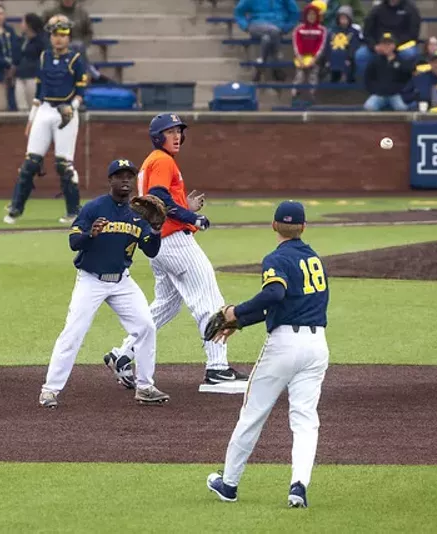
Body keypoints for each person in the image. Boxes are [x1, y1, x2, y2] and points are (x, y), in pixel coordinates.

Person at [103, 113, 249, 389]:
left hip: (161, 243)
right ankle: (217, 370)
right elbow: (159, 198)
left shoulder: (153, 161)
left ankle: (124, 353)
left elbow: (159, 201)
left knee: (166, 306)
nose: (177, 136)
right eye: (170, 131)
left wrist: (186, 208)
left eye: (179, 131)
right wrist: (190, 217)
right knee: (208, 299)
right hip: (174, 242)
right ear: (158, 137)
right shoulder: (161, 160)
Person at [205, 200, 330, 509]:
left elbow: (274, 294)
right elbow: (284, 302)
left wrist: (234, 311)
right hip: (316, 347)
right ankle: (298, 486)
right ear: (303, 227)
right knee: (304, 419)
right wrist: (241, 321)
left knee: (253, 413)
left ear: (274, 225)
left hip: (284, 345)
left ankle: (230, 484)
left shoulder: (276, 258)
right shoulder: (315, 259)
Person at [39, 159, 168, 408]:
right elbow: (73, 242)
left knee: (146, 327)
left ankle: (145, 387)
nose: (125, 180)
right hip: (91, 279)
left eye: (129, 176)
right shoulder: (94, 208)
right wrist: (90, 235)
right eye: (119, 176)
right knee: (73, 333)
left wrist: (156, 229)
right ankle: (50, 389)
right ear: (110, 180)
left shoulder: (139, 214)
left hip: (122, 281)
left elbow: (151, 251)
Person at [4, 15, 87, 225]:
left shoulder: (76, 59)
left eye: (63, 35)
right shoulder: (44, 57)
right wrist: (31, 118)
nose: (59, 39)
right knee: (30, 162)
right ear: (50, 36)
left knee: (64, 164)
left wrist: (72, 107)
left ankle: (73, 211)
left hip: (65, 111)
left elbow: (81, 90)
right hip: (45, 109)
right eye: (55, 35)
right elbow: (39, 90)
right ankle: (15, 207)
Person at [356, 0, 421, 78]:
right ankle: (371, 82)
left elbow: (413, 34)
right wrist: (374, 46)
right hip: (378, 46)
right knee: (361, 55)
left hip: (402, 46)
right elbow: (367, 33)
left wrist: (394, 45)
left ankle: (403, 82)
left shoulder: (411, 9)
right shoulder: (376, 10)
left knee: (408, 54)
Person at [234, 0, 300, 66]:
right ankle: (276, 56)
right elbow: (239, 11)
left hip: (278, 26)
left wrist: (287, 27)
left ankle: (261, 66)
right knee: (274, 31)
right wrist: (245, 26)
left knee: (266, 38)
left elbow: (294, 12)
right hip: (257, 24)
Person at [363, 32, 412, 110]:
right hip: (379, 95)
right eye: (384, 44)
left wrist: (399, 90)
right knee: (369, 107)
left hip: (395, 94)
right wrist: (375, 90)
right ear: (380, 46)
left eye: (389, 44)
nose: (387, 46)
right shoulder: (375, 61)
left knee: (401, 108)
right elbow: (368, 78)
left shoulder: (401, 61)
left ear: (394, 45)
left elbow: (407, 77)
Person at [291, 2, 327, 103]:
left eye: (314, 15)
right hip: (301, 58)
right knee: (299, 76)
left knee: (313, 76)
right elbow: (296, 44)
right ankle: (294, 95)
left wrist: (314, 59)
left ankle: (311, 96)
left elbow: (321, 45)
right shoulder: (298, 29)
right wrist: (300, 58)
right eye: (309, 14)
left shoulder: (322, 30)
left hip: (314, 59)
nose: (311, 17)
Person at [14, 13, 46, 111]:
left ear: (29, 24)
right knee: (21, 107)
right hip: (20, 76)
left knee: (34, 108)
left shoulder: (42, 40)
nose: (21, 24)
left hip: (33, 77)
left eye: (23, 22)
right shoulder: (23, 39)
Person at [324, 5, 359, 83]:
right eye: (341, 18)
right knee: (334, 54)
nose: (343, 20)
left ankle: (346, 76)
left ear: (350, 19)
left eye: (345, 18)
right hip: (333, 54)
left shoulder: (353, 32)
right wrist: (328, 59)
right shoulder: (333, 30)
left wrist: (349, 58)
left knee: (347, 59)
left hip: (347, 55)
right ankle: (332, 75)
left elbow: (354, 45)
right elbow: (328, 45)